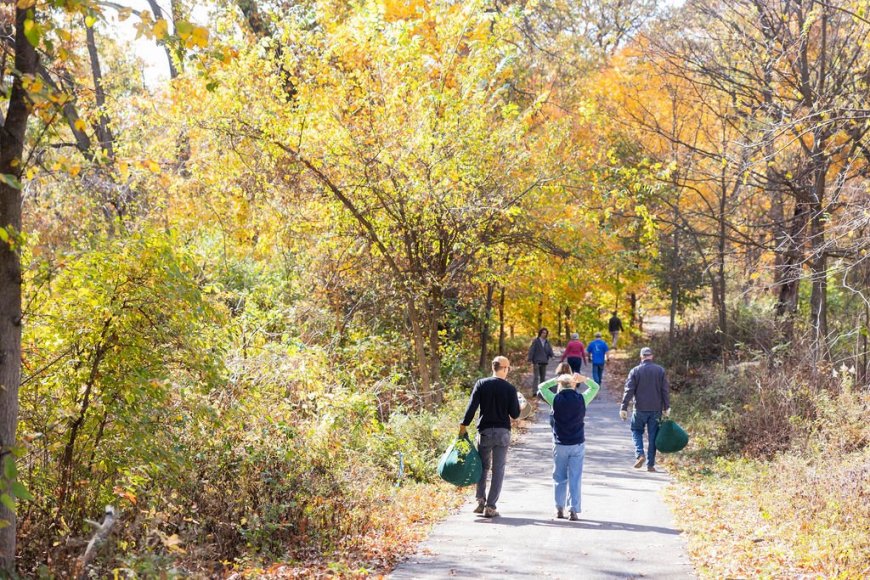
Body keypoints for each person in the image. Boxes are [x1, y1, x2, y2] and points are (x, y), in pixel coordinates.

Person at [459, 355, 521, 518]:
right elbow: (515, 414)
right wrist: (519, 407)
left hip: (484, 431)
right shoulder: (510, 389)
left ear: (494, 368)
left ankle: (480, 501)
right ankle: (491, 507)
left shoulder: (481, 384)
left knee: (482, 466)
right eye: (508, 368)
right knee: (498, 469)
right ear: (504, 368)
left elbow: (472, 406)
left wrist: (463, 425)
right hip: (502, 433)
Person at [550, 372, 599, 521]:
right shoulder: (582, 399)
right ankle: (573, 509)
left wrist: (555, 379)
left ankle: (559, 508)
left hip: (560, 443)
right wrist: (584, 379)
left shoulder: (554, 399)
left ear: (560, 384)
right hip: (577, 442)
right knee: (575, 477)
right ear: (574, 384)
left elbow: (541, 387)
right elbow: (595, 387)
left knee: (559, 476)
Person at [619, 347, 671, 472]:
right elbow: (665, 390)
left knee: (636, 430)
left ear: (641, 357)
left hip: (640, 408)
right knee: (653, 436)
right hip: (656, 409)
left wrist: (624, 407)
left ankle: (640, 454)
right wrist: (667, 406)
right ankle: (651, 465)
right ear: (651, 356)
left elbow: (629, 390)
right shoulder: (660, 371)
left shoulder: (635, 371)